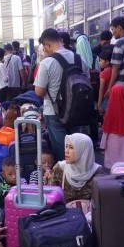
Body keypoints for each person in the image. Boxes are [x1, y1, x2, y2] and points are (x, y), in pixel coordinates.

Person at [34, 28, 90, 161]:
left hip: (54, 112)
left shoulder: (47, 62)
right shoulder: (80, 59)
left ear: (47, 44)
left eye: (44, 47)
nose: (44, 50)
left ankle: (64, 178)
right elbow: (86, 81)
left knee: (61, 150)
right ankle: (78, 177)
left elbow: (39, 91)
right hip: (77, 110)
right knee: (76, 147)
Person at [48, 133, 104, 202]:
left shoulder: (97, 171)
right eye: (66, 146)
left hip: (90, 212)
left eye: (71, 147)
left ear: (84, 150)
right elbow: (50, 196)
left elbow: (101, 200)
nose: (66, 151)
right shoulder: (60, 168)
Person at [100, 85, 124, 168]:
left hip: (112, 152)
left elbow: (105, 131)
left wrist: (102, 146)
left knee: (113, 169)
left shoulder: (109, 112)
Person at [97, 49, 113, 115]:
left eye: (101, 60)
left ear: (107, 62)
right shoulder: (113, 71)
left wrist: (99, 104)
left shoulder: (103, 73)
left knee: (106, 117)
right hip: (113, 97)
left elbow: (101, 89)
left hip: (106, 98)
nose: (99, 62)